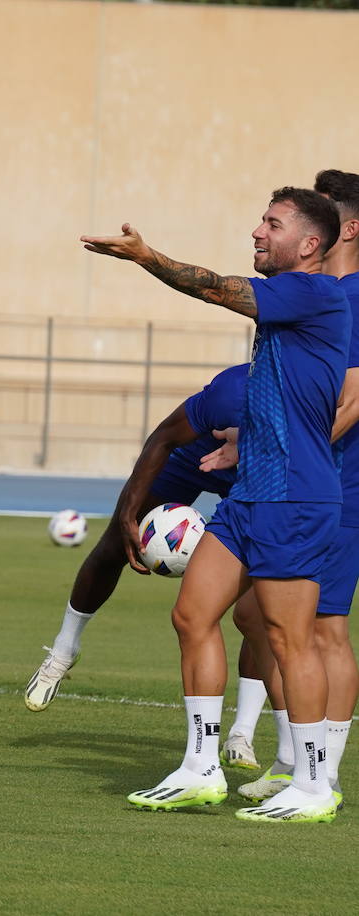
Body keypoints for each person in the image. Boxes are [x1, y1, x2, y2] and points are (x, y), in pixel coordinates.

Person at [83, 187, 350, 823]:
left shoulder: (315, 293)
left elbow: (217, 288)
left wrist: (148, 257)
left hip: (293, 498)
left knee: (290, 641)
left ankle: (314, 785)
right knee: (191, 615)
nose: (258, 231)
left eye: (273, 223)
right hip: (250, 495)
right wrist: (242, 441)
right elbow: (291, 399)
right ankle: (201, 768)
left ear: (310, 245)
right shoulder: (290, 308)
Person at [221, 169, 359, 805]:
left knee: (319, 630)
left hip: (326, 484)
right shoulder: (315, 288)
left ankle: (317, 776)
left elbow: (352, 397)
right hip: (290, 480)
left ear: (342, 229)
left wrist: (289, 454)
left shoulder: (343, 295)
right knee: (256, 616)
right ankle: (289, 760)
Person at [23, 363, 245, 713]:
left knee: (262, 601)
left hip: (258, 472)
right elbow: (164, 438)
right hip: (193, 458)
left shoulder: (308, 403)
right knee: (114, 545)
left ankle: (243, 732)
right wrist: (129, 512)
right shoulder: (232, 392)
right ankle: (65, 648)